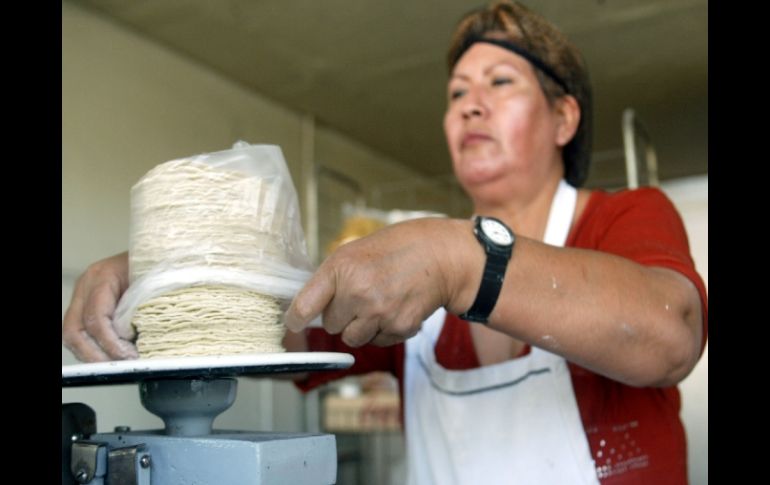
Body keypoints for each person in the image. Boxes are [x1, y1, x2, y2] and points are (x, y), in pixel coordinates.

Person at [63, 1, 708, 483]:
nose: (468, 106)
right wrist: (164, 271)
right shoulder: (414, 270)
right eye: (456, 93)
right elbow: (281, 325)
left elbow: (669, 333)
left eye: (500, 83)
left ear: (565, 116)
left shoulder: (624, 218)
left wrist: (460, 261)